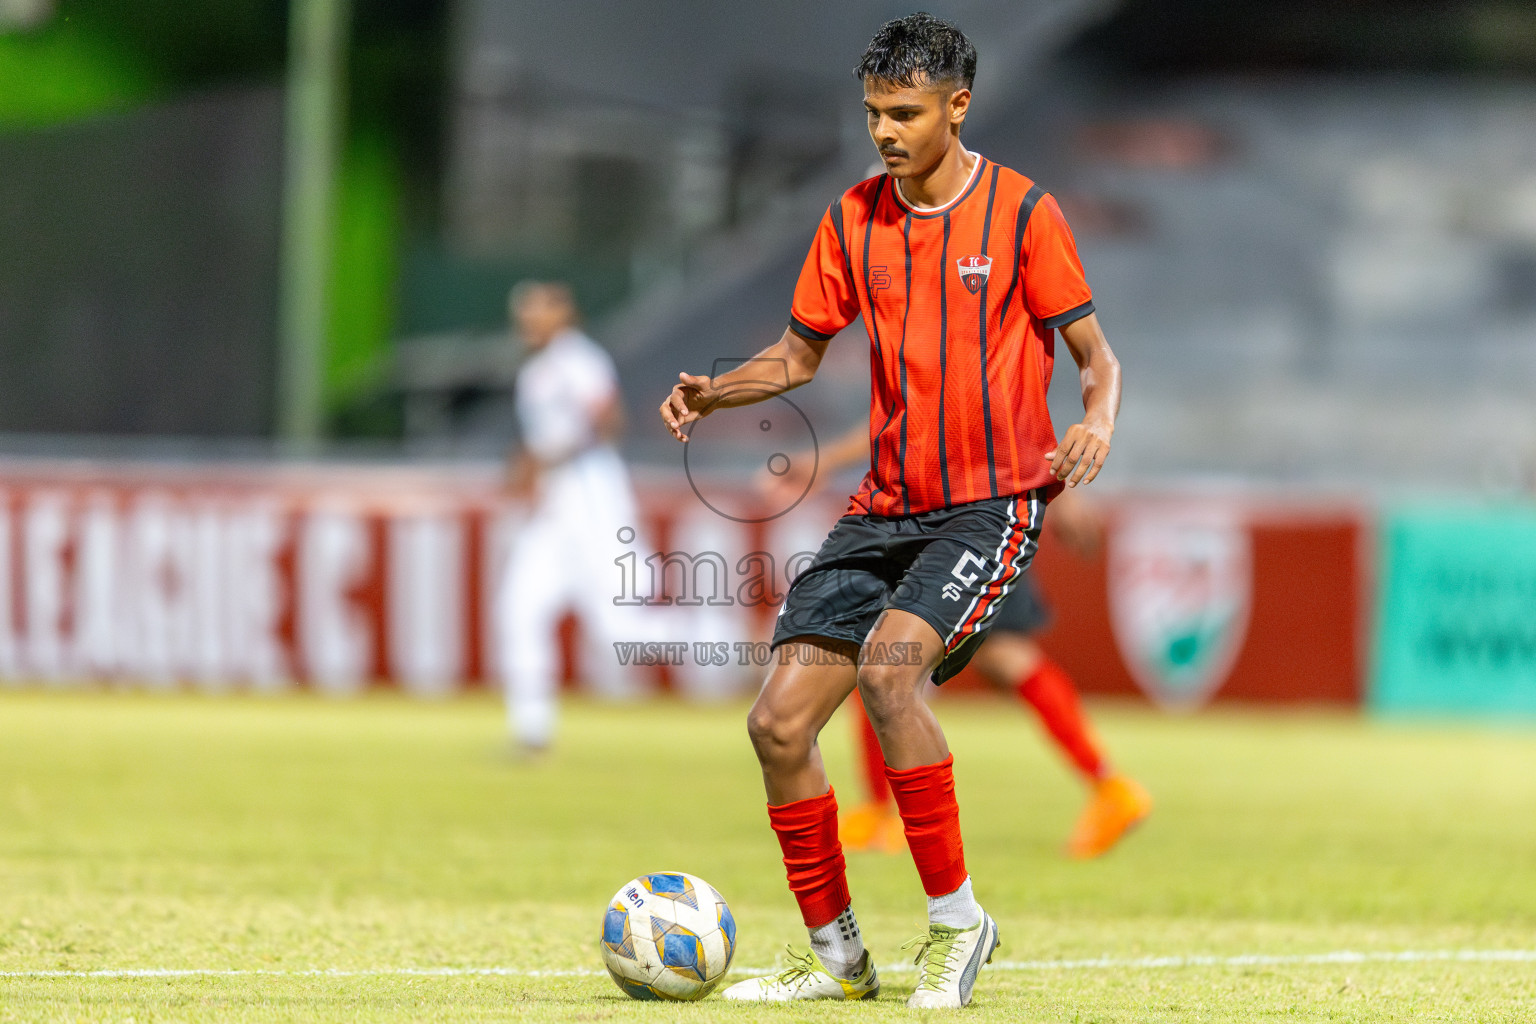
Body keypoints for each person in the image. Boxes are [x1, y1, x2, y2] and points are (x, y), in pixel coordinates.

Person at [659, 13, 1123, 1008]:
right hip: (882, 509)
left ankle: (958, 925)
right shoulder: (853, 217)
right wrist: (716, 393)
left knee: (889, 669)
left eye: (904, 113)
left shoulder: (1022, 213)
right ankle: (836, 954)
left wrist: (1096, 423)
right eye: (874, 112)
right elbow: (798, 356)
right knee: (778, 725)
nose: (885, 131)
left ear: (958, 106)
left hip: (987, 506)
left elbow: (1097, 357)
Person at [767, 426, 1152, 859]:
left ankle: (882, 813)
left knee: (889, 651)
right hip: (971, 510)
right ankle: (1110, 787)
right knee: (998, 656)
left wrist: (1061, 486)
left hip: (954, 518)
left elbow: (947, 416)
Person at [497, 281, 649, 752]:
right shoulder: (537, 369)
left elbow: (608, 419)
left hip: (592, 502)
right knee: (519, 608)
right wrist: (535, 463)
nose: (526, 322)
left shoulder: (578, 359)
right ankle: (531, 731)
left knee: (619, 630)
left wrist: (546, 455)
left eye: (536, 312)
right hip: (556, 507)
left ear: (563, 314)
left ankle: (730, 641)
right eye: (522, 314)